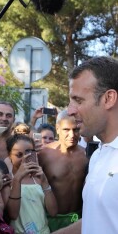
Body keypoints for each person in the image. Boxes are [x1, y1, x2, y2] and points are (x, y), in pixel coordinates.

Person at [55, 56, 118, 234]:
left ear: (109, 99)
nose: (70, 110)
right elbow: (97, 218)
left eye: (79, 100)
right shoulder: (97, 155)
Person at [38, 110, 88, 232]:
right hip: (51, 219)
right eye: (66, 130)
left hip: (80, 219)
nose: (72, 135)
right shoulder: (44, 154)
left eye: (76, 130)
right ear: (57, 128)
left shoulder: (87, 155)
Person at [5, 134, 57, 233]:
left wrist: (45, 182)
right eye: (19, 155)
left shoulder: (38, 178)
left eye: (28, 154)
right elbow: (13, 214)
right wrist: (17, 180)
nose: (24, 159)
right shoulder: (8, 180)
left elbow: (53, 212)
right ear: (9, 155)